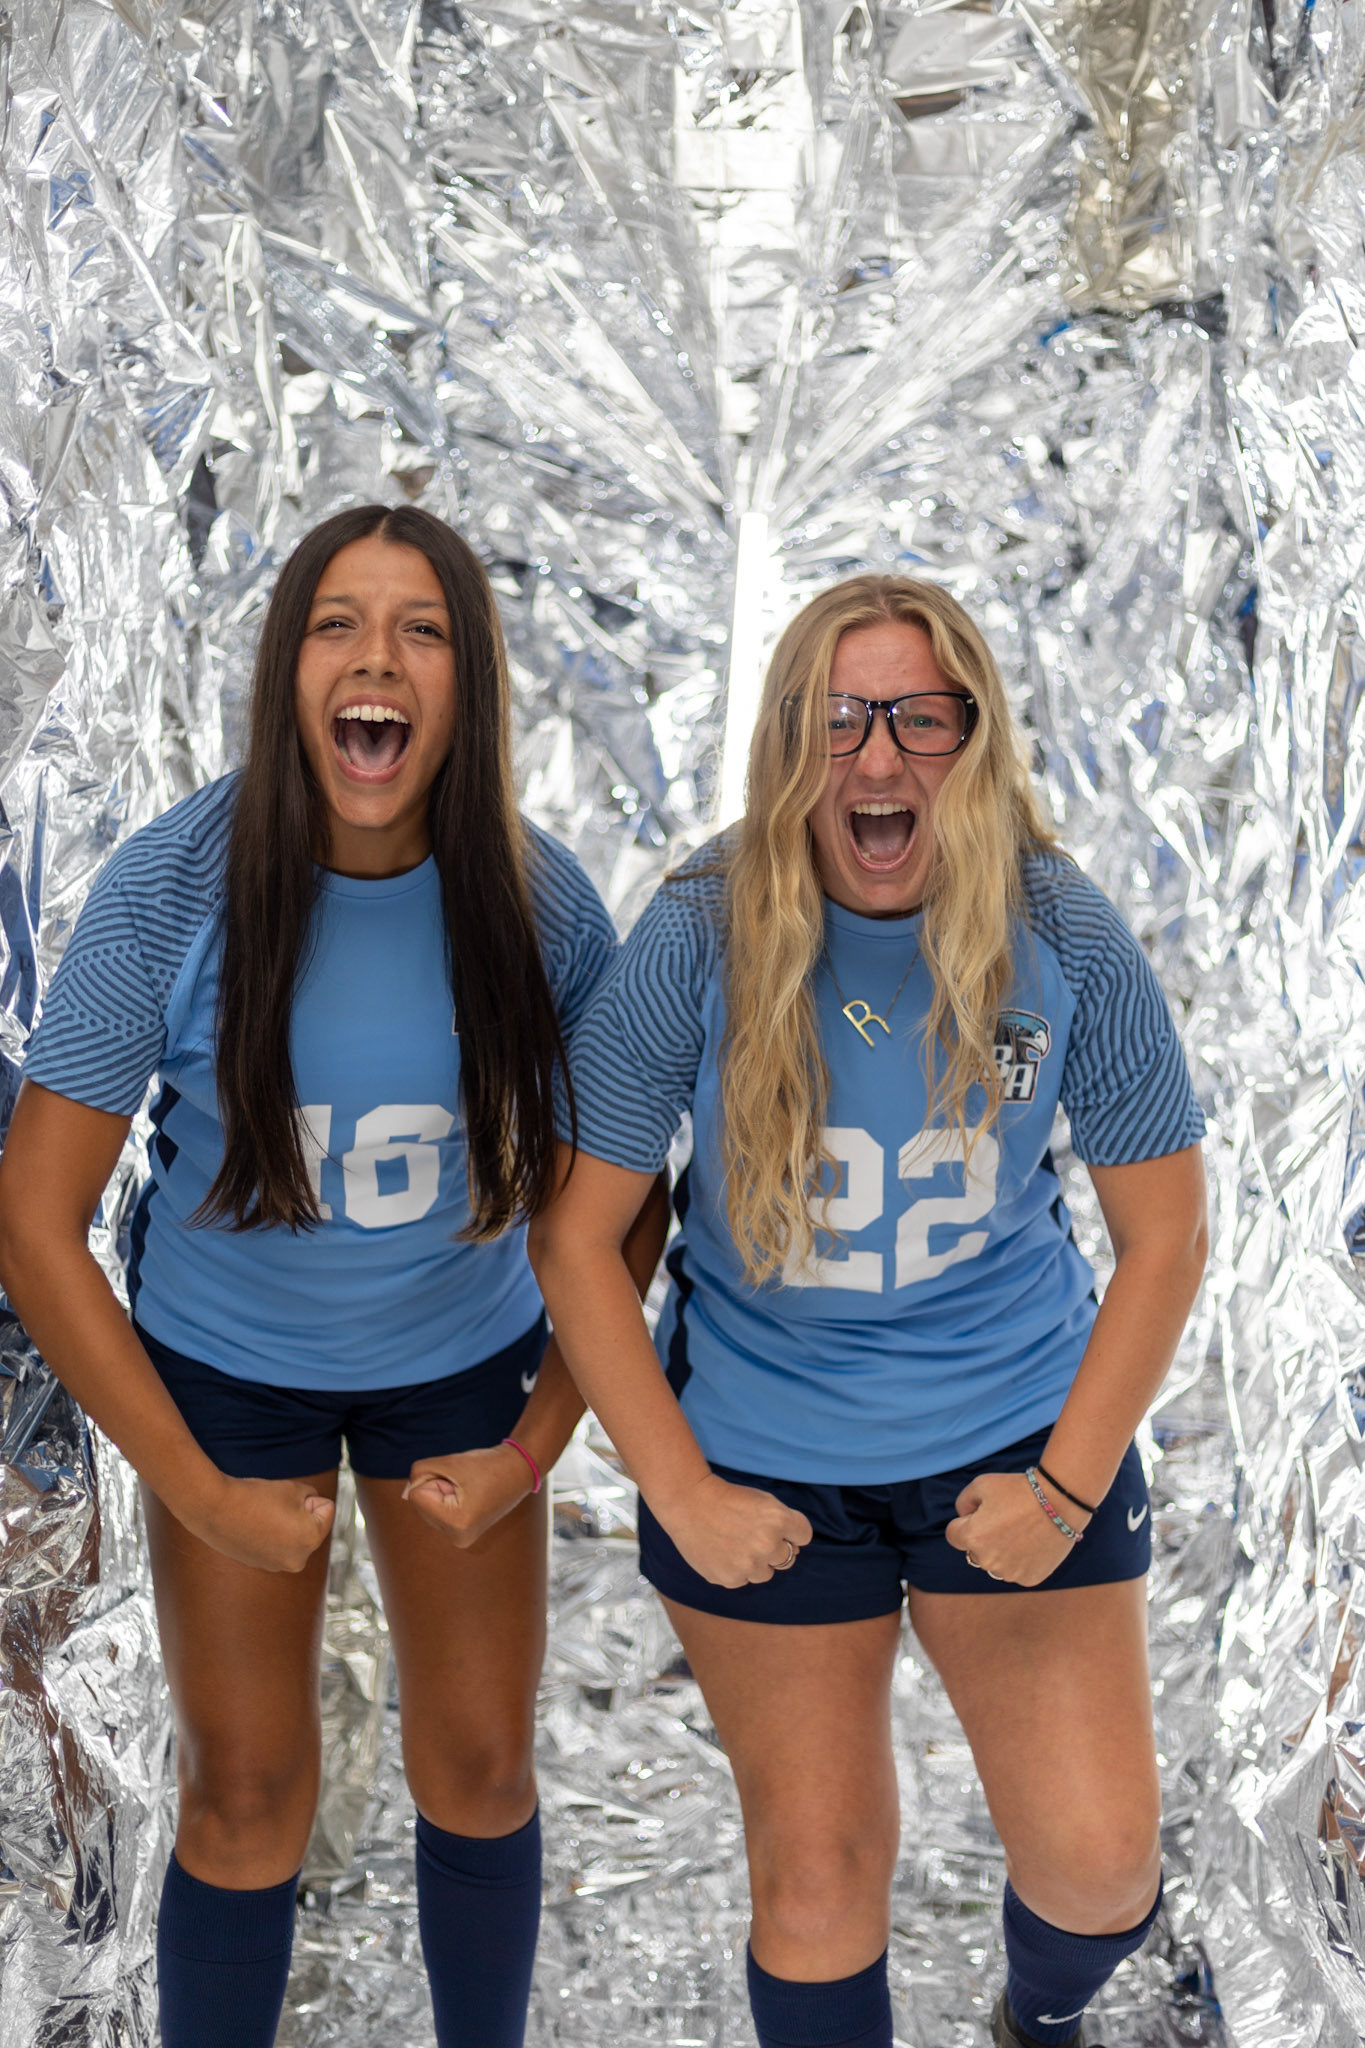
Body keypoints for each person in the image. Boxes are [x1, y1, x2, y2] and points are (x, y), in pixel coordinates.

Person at [0, 503, 666, 2048]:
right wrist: (198, 1487)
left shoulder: (538, 897)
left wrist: (531, 1446)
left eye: (422, 628)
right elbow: (37, 1221)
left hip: (460, 1360)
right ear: (286, 668)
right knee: (245, 1794)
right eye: (337, 623)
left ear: (469, 680)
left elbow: (630, 1202)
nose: (378, 658)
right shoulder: (173, 889)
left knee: (482, 1769)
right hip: (229, 1379)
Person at [528, 575, 1208, 2048]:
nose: (879, 758)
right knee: (818, 1886)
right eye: (837, 721)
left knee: (1098, 1872)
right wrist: (682, 1489)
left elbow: (1163, 1236)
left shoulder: (1061, 935)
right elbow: (578, 1239)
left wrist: (1063, 1486)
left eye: (917, 718)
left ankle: (1034, 2024)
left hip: (1012, 1438)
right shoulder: (697, 932)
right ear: (786, 745)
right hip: (764, 1456)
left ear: (973, 739)